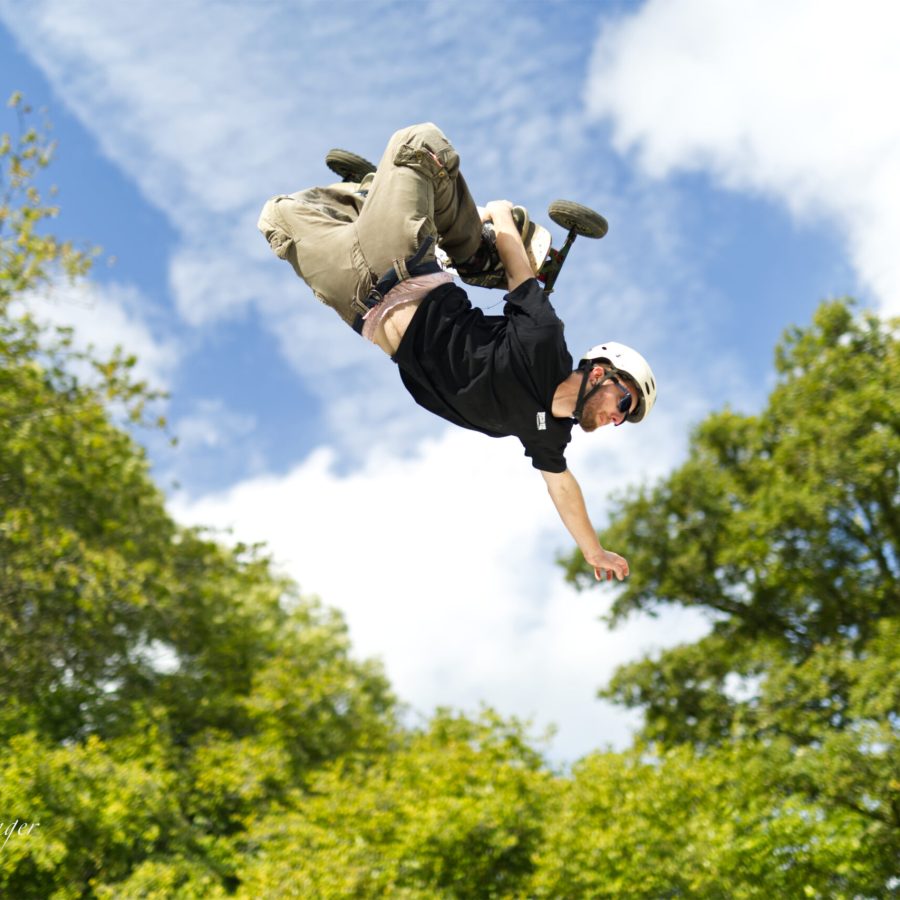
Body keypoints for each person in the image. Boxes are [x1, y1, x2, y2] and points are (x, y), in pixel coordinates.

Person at [258, 123, 657, 581]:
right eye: (624, 403)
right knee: (420, 144)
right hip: (402, 262)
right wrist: (502, 217)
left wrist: (594, 550)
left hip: (353, 297)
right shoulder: (544, 340)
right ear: (601, 373)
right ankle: (468, 250)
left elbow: (563, 487)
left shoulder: (547, 435)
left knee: (276, 218)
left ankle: (370, 191)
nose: (617, 418)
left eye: (625, 418)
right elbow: (519, 276)